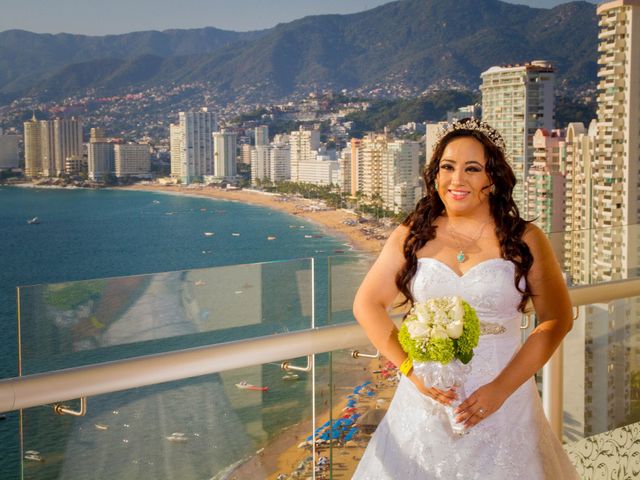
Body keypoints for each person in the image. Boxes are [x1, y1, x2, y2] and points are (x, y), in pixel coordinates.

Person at [351, 118, 578, 479]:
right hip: (426, 403)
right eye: (448, 167)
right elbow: (366, 304)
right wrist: (411, 371)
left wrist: (499, 391)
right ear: (435, 174)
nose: (457, 180)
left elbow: (557, 319)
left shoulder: (525, 239)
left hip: (504, 405)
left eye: (472, 169)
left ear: (493, 179)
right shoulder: (413, 233)